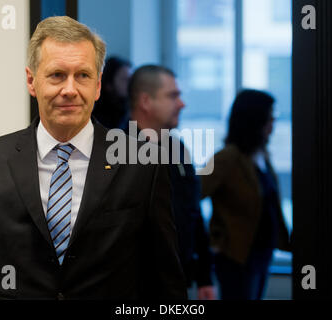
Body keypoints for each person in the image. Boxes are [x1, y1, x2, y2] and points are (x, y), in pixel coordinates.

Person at [0, 16, 186, 300]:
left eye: (83, 75)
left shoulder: (143, 164)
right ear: (32, 81)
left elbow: (165, 280)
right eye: (57, 75)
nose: (70, 89)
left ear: (98, 85)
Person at [127, 65, 216, 300]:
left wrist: (205, 276)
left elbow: (193, 213)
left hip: (179, 282)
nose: (181, 104)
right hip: (136, 287)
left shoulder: (178, 149)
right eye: (173, 96)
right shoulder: (117, 152)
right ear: (146, 101)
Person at [200, 89, 291, 300]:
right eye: (269, 118)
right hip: (236, 257)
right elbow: (192, 197)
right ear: (255, 120)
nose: (273, 124)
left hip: (261, 253)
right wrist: (213, 240)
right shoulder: (226, 158)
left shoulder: (261, 157)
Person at [92, 56, 132, 129]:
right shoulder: (96, 117)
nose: (130, 84)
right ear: (109, 84)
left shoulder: (130, 110)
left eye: (130, 79)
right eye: (124, 79)